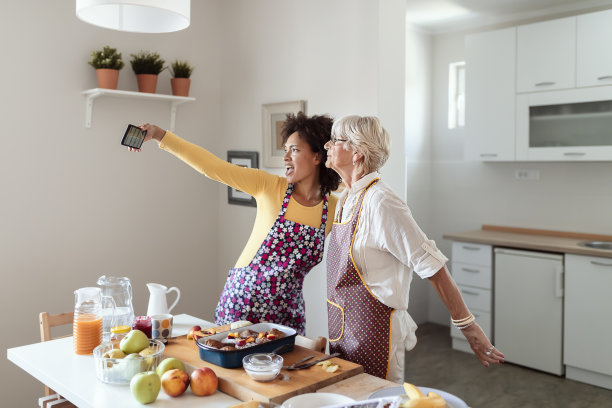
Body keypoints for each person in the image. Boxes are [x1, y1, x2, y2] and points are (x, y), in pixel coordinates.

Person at [323, 115, 504, 383]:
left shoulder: (381, 201)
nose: (327, 145)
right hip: (343, 332)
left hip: (375, 335)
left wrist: (469, 327)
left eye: (335, 140)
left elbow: (432, 266)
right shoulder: (347, 198)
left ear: (357, 152)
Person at [131, 113, 341, 335]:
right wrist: (159, 135)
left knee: (290, 370)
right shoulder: (270, 187)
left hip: (288, 314)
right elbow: (212, 167)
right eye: (285, 149)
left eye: (295, 150)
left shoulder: (336, 208)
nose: (286, 157)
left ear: (318, 156)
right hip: (242, 305)